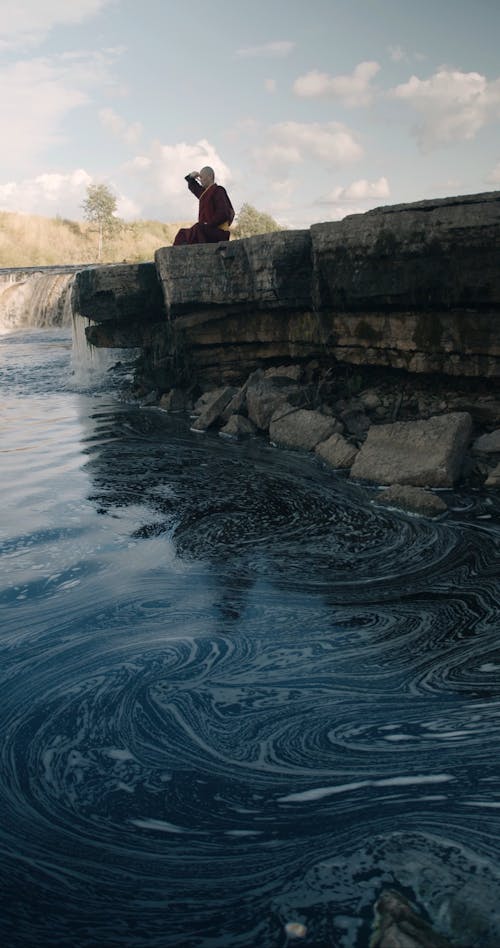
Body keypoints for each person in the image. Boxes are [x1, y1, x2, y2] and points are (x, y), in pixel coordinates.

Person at [173, 166, 235, 246]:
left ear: (210, 177)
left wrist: (208, 225)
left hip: (219, 232)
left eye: (201, 177)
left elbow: (223, 213)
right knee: (182, 233)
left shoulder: (218, 190)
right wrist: (191, 177)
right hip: (207, 230)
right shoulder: (204, 193)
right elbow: (194, 187)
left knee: (198, 228)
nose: (200, 180)